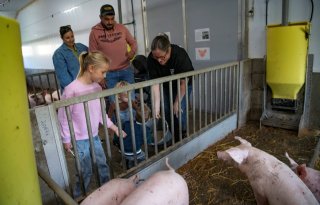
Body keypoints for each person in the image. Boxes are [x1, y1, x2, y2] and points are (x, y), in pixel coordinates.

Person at [58, 51, 127, 198]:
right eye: (103, 72)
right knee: (84, 170)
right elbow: (64, 117)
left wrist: (114, 127)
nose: (105, 76)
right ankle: (78, 197)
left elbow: (101, 112)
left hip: (94, 136)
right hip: (79, 139)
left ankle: (108, 193)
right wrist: (66, 139)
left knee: (102, 164)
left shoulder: (97, 88)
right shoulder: (71, 90)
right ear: (91, 68)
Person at [147, 34, 194, 141]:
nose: (159, 60)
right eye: (156, 57)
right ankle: (173, 133)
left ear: (169, 50)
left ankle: (182, 132)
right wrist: (156, 107)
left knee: (179, 109)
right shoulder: (151, 59)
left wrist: (177, 102)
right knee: (167, 109)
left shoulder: (179, 55)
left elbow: (183, 83)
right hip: (166, 85)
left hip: (183, 84)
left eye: (162, 57)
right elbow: (155, 84)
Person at [89, 4, 137, 102]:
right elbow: (92, 56)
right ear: (100, 17)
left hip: (126, 70)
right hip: (109, 74)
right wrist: (100, 77)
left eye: (112, 18)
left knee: (130, 100)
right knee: (114, 103)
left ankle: (132, 117)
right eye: (107, 19)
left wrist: (132, 52)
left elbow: (133, 43)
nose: (110, 22)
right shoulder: (94, 33)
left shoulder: (122, 28)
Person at [52, 25, 88, 93]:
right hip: (72, 89)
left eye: (72, 36)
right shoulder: (59, 54)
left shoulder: (81, 47)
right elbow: (63, 76)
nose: (71, 39)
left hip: (86, 84)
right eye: (67, 38)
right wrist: (73, 89)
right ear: (62, 38)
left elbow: (92, 55)